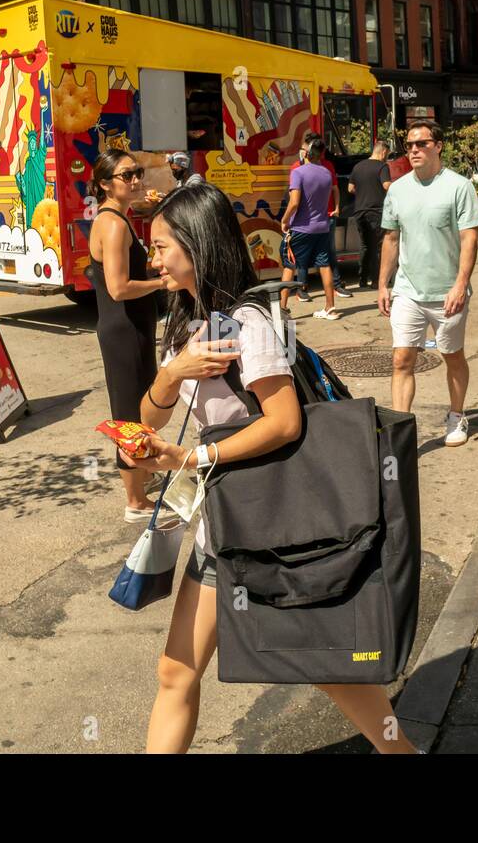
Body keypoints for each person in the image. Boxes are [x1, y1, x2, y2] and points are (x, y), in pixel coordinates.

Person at [127, 183, 420, 754]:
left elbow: (285, 422)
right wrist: (171, 375)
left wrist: (194, 457)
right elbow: (150, 418)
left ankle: (401, 751)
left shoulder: (245, 323)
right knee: (176, 671)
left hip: (270, 525)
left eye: (162, 245)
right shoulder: (190, 320)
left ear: (196, 243)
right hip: (226, 523)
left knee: (323, 662)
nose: (153, 258)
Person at [376, 119, 478, 446]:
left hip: (448, 292)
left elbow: (469, 239)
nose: (413, 150)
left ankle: (456, 415)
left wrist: (460, 284)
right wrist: (383, 284)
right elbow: (391, 239)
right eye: (409, 145)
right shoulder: (397, 189)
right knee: (401, 359)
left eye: (421, 144)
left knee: (452, 356)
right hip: (408, 291)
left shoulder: (459, 186)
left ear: (438, 145)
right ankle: (400, 430)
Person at [86, 149, 170, 524]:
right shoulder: (114, 224)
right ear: (105, 184)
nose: (136, 180)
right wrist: (160, 282)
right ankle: (135, 501)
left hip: (129, 328)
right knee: (129, 417)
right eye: (126, 176)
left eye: (137, 173)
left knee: (138, 411)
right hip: (124, 330)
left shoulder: (118, 217)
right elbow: (118, 288)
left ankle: (143, 474)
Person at [280, 136, 340, 319]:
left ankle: (282, 309)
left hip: (301, 228)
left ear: (306, 152)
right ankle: (330, 308)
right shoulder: (326, 173)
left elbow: (294, 202)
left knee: (289, 266)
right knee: (324, 265)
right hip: (322, 227)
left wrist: (284, 220)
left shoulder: (298, 172)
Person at [287, 131, 349, 299]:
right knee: (303, 257)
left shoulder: (328, 166)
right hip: (304, 221)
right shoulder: (297, 167)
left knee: (329, 252)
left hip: (326, 216)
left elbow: (335, 188)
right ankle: (302, 288)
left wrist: (337, 207)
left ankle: (336, 286)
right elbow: (294, 198)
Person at [348, 140, 391, 289]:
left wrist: (363, 193)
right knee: (378, 247)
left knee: (365, 245)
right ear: (384, 151)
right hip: (376, 211)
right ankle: (376, 281)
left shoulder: (358, 166)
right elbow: (386, 185)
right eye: (388, 154)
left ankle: (362, 280)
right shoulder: (382, 166)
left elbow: (350, 188)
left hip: (359, 212)